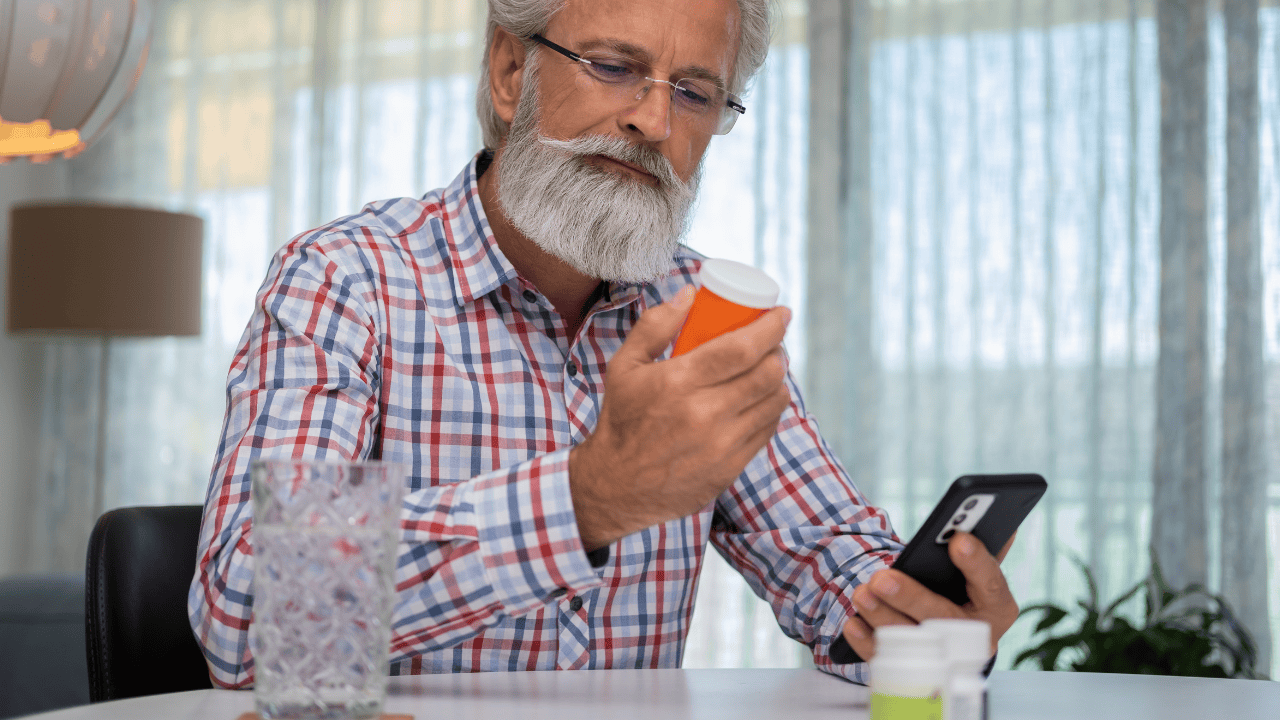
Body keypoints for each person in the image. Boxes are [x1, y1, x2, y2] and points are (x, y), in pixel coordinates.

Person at [188, 0, 1020, 688]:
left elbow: (826, 561)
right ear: (512, 72)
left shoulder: (705, 313)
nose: (654, 120)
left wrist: (917, 614)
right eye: (615, 67)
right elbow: (246, 620)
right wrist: (587, 500)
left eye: (695, 91)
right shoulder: (344, 280)